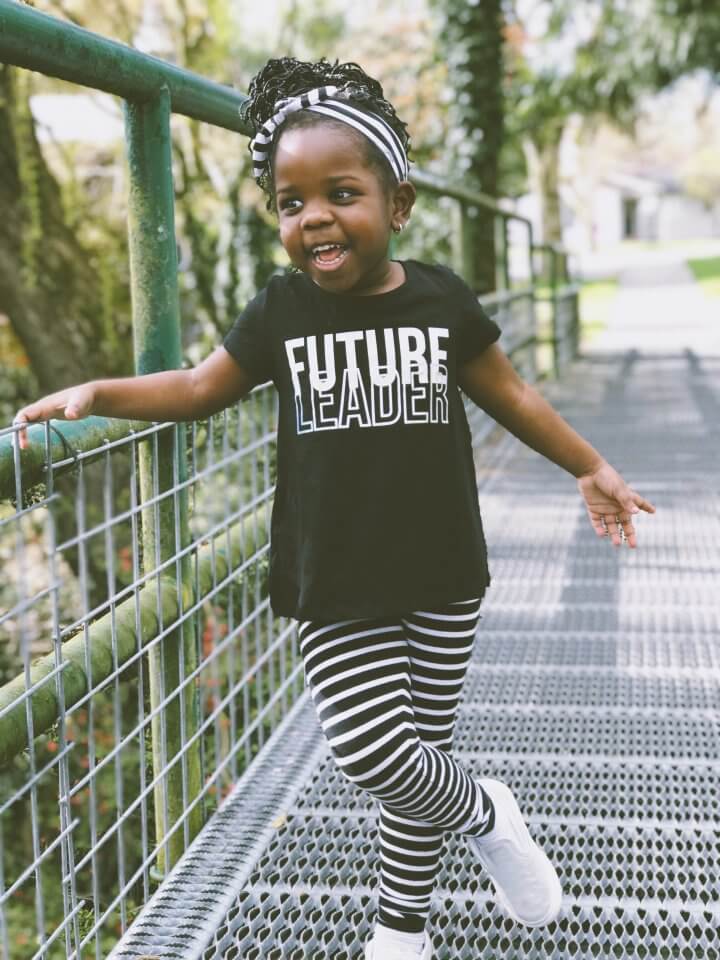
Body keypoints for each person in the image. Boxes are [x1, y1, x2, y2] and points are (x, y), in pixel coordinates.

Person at [13, 57, 656, 960]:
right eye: (290, 201)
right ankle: (488, 812)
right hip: (334, 576)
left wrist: (589, 465)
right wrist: (99, 391)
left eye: (340, 193)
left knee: (416, 756)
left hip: (440, 570)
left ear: (398, 205)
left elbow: (512, 396)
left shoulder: (440, 300)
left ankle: (400, 931)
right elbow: (198, 387)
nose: (313, 215)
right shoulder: (282, 311)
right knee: (371, 752)